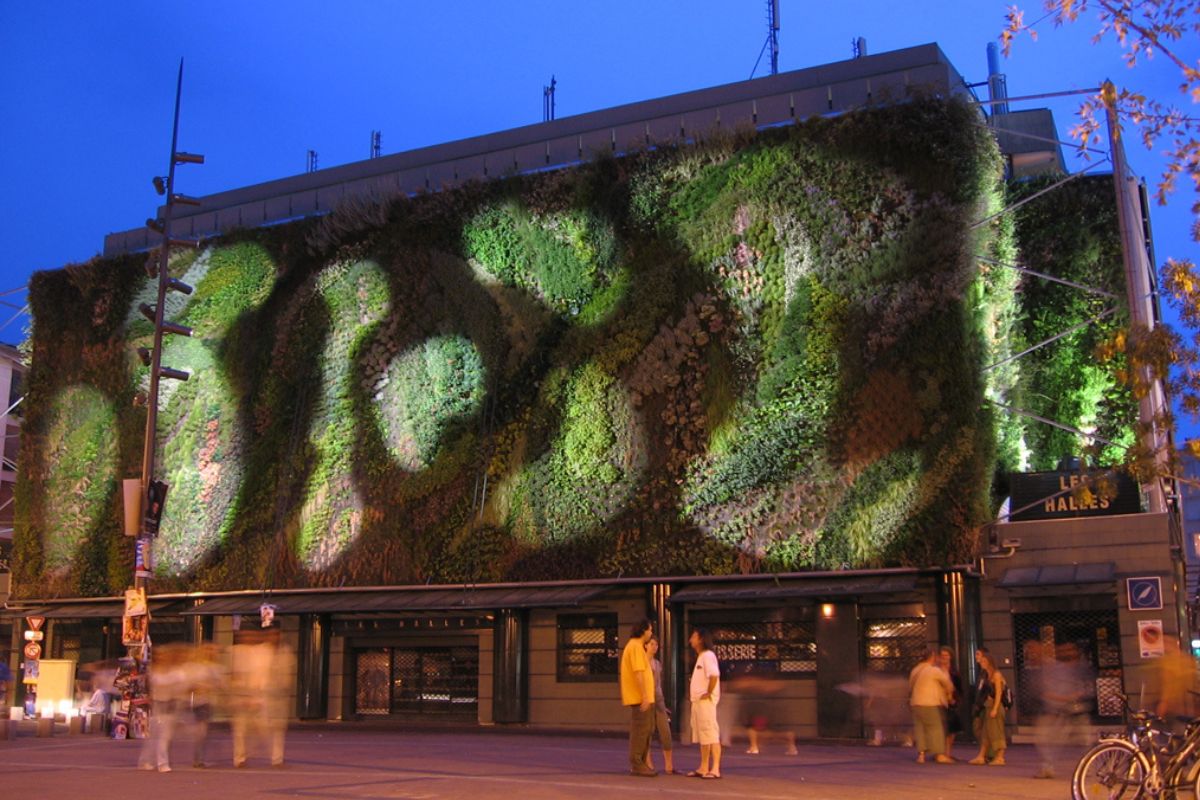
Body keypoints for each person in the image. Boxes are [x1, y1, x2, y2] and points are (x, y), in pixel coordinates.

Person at [1033, 642, 1091, 779]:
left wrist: (1074, 696)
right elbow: (1046, 691)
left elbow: (1086, 688)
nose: (1067, 653)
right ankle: (1048, 768)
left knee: (1083, 740)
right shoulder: (1055, 668)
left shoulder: (1079, 668)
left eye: (1069, 650)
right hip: (1059, 711)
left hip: (1075, 710)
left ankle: (1086, 766)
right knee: (1046, 740)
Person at [620, 618, 657, 778]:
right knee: (640, 731)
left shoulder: (637, 647)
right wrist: (644, 696)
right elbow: (638, 672)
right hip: (639, 698)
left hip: (644, 697)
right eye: (649, 630)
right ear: (643, 630)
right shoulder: (635, 646)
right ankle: (637, 763)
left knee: (647, 730)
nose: (651, 633)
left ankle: (641, 763)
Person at [909, 648, 955, 764]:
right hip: (929, 703)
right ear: (932, 657)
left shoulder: (915, 670)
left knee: (920, 729)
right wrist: (949, 694)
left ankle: (921, 755)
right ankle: (940, 755)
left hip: (915, 704)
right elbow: (947, 683)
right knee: (936, 728)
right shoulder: (933, 670)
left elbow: (910, 687)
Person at [687, 627, 722, 779]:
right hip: (698, 702)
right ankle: (703, 766)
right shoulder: (701, 657)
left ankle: (715, 769)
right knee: (703, 735)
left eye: (693, 636)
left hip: (705, 702)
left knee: (711, 734)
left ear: (701, 639)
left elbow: (714, 675)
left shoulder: (708, 655)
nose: (691, 640)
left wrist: (708, 692)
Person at [970, 650, 1008, 766]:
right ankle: (981, 756)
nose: (982, 663)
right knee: (986, 733)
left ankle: (1000, 757)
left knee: (997, 732)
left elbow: (998, 693)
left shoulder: (996, 675)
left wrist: (995, 709)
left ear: (990, 662)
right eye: (982, 661)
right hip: (987, 707)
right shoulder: (986, 675)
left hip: (994, 707)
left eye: (984, 661)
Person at [643, 635, 675, 775]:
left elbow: (658, 685)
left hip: (658, 699)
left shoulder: (657, 663)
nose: (654, 647)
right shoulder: (642, 662)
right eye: (651, 644)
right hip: (646, 699)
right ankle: (648, 762)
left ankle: (669, 764)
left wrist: (663, 703)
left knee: (665, 732)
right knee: (647, 732)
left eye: (656, 644)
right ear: (645, 646)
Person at [938, 646, 964, 758]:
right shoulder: (936, 670)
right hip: (939, 702)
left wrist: (956, 700)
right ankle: (940, 752)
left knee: (952, 729)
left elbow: (959, 688)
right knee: (941, 728)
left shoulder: (954, 672)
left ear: (951, 657)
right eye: (942, 655)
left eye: (946, 655)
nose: (944, 658)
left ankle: (947, 752)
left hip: (951, 702)